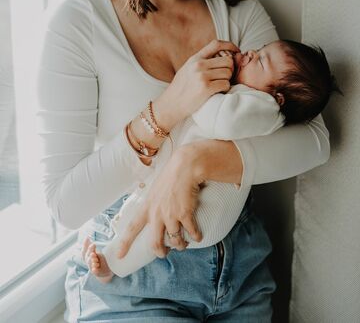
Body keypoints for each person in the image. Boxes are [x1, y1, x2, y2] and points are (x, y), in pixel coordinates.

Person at [37, 0, 330, 321]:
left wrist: (193, 162)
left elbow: (315, 139)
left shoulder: (239, 16)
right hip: (128, 276)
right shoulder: (80, 22)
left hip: (239, 271)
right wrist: (168, 110)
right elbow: (65, 204)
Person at [81, 39, 336, 281]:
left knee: (153, 229)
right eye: (258, 50)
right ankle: (113, 250)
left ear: (278, 98)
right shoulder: (250, 98)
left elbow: (220, 121)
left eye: (260, 61)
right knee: (145, 211)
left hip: (206, 208)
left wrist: (201, 88)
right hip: (191, 193)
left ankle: (112, 266)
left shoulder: (263, 107)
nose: (250, 54)